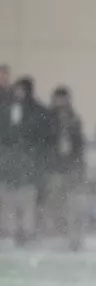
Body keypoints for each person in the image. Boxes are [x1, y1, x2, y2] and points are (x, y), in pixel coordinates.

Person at [0, 77, 52, 246]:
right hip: (10, 164)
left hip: (28, 164)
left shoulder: (38, 112)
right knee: (9, 200)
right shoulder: (7, 110)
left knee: (27, 200)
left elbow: (43, 138)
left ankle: (25, 232)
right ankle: (12, 231)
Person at [46, 87, 86, 250]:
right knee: (55, 203)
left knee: (74, 204)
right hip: (55, 167)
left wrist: (79, 165)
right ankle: (58, 235)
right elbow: (45, 143)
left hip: (71, 167)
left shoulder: (74, 119)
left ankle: (73, 238)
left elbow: (79, 145)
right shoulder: (48, 120)